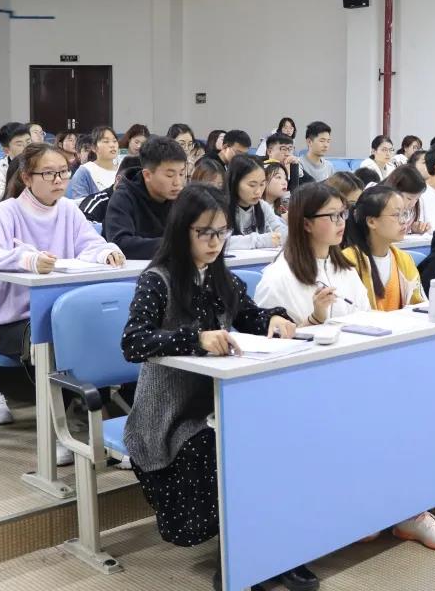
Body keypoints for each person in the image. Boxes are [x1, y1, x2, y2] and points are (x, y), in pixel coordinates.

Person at [120, 184, 309, 591]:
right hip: (170, 416)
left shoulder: (223, 278)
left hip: (223, 403)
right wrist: (196, 339)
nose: (214, 242)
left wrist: (274, 320)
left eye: (221, 232)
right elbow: (133, 342)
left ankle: (278, 548)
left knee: (279, 441)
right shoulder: (158, 280)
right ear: (182, 231)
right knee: (221, 450)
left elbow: (251, 316)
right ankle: (239, 558)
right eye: (204, 233)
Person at [0, 143, 124, 456]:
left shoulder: (68, 209)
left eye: (63, 172)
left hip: (63, 317)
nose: (59, 180)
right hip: (15, 321)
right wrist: (27, 260)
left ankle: (108, 427)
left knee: (100, 332)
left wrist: (106, 252)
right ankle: (62, 432)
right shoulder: (7, 212)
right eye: (49, 173)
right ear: (27, 177)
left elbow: (91, 243)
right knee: (58, 342)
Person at [338, 186, 435, 549]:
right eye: (398, 214)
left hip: (401, 363)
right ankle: (369, 508)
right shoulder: (348, 261)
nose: (406, 221)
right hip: (360, 368)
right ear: (371, 221)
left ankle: (410, 511)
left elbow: (419, 308)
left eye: (407, 213)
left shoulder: (402, 259)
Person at [255, 182, 369, 325]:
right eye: (333, 215)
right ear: (306, 224)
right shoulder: (278, 278)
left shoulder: (346, 270)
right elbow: (272, 335)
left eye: (342, 214)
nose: (341, 222)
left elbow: (365, 317)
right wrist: (314, 320)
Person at [104, 137, 188, 259]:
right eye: (170, 175)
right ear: (147, 175)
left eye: (181, 174)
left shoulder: (184, 198)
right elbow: (120, 243)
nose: (178, 182)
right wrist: (173, 246)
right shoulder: (123, 198)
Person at [225, 155, 286, 251]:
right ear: (235, 182)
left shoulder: (262, 206)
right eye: (252, 185)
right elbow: (221, 241)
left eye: (262, 184)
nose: (258, 191)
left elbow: (282, 233)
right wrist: (262, 240)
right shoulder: (220, 208)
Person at [78, 156, 142, 223]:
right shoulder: (96, 203)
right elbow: (82, 226)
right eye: (132, 185)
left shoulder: (144, 204)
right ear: (118, 179)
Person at [66, 126, 119, 199]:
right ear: (94, 148)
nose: (112, 145)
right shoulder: (84, 171)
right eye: (106, 141)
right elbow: (81, 203)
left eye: (114, 141)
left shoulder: (124, 169)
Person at [0, 123, 31, 203]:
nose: (27, 147)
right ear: (6, 150)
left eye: (29, 142)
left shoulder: (43, 163)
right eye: (19, 144)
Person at [384, 164, 431, 235]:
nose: (413, 204)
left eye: (417, 199)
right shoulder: (381, 206)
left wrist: (413, 230)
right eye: (409, 198)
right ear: (394, 190)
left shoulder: (416, 206)